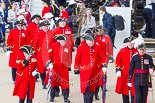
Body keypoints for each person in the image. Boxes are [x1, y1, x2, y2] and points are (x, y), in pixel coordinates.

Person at [74, 33, 107, 103]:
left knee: (92, 89)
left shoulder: (97, 47)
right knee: (86, 89)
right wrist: (76, 69)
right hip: (84, 72)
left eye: (92, 41)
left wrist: (103, 65)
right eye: (89, 41)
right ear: (86, 40)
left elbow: (103, 56)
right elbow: (77, 60)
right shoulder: (81, 48)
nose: (91, 42)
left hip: (94, 72)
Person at [45, 34, 72, 103]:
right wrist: (49, 63)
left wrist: (69, 66)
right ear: (59, 40)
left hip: (64, 68)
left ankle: (66, 97)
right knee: (53, 82)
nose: (63, 43)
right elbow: (49, 55)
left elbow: (69, 57)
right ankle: (52, 96)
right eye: (62, 41)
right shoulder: (53, 46)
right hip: (55, 67)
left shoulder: (68, 47)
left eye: (64, 41)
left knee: (65, 83)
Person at [128, 36, 155, 103]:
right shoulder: (135, 58)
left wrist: (152, 69)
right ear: (138, 50)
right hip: (137, 79)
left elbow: (152, 66)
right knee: (138, 97)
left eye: (143, 50)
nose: (142, 51)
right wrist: (129, 80)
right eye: (140, 50)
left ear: (144, 50)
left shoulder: (148, 57)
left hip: (145, 79)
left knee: (144, 97)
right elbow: (131, 70)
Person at [32, 20, 54, 89]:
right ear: (42, 27)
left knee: (50, 69)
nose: (46, 27)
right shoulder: (38, 33)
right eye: (44, 26)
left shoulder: (52, 32)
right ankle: (44, 83)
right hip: (41, 54)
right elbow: (35, 43)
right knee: (41, 69)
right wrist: (34, 51)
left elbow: (54, 42)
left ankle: (50, 82)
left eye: (47, 26)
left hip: (50, 53)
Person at [115, 36, 137, 103]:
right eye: (128, 42)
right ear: (126, 43)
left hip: (134, 74)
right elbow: (118, 61)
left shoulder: (137, 50)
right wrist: (118, 69)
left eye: (131, 42)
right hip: (124, 73)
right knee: (124, 90)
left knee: (134, 90)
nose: (130, 43)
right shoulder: (122, 50)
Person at [6, 19, 29, 84]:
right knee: (14, 66)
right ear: (16, 25)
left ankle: (21, 78)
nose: (20, 26)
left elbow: (28, 41)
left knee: (22, 65)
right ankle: (14, 79)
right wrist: (8, 47)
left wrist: (27, 49)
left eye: (21, 25)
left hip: (22, 52)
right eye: (18, 25)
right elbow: (8, 40)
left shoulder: (25, 32)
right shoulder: (12, 31)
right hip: (14, 51)